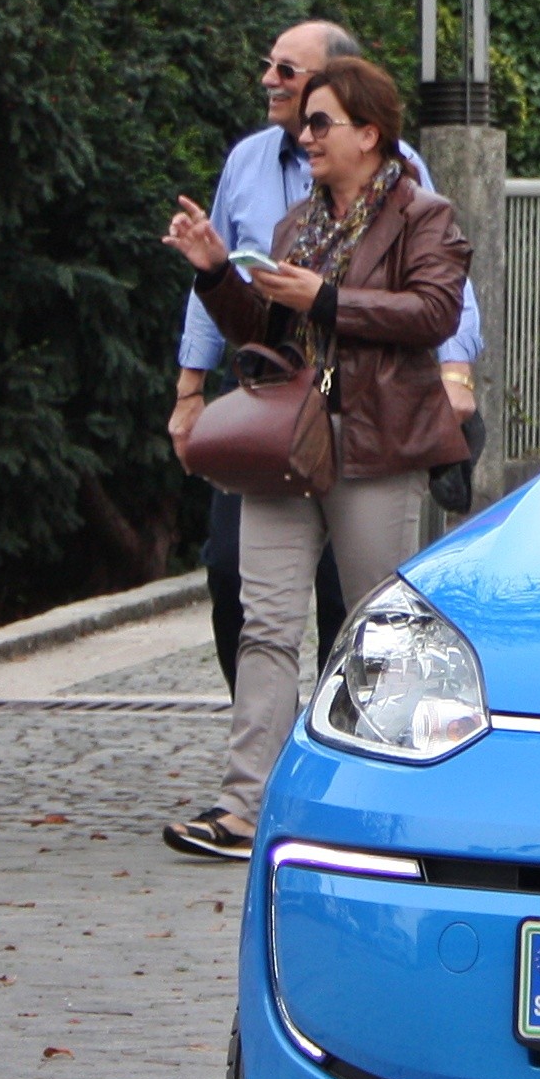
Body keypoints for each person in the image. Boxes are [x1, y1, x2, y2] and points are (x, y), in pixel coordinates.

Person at [161, 55, 473, 859]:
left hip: (376, 442)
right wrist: (214, 273)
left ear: (369, 133)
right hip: (288, 441)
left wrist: (327, 299)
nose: (306, 136)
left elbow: (434, 313)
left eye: (322, 122)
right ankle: (245, 806)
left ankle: (375, 804)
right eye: (305, 124)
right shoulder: (297, 225)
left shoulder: (425, 217)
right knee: (265, 622)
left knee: (375, 628)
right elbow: (264, 335)